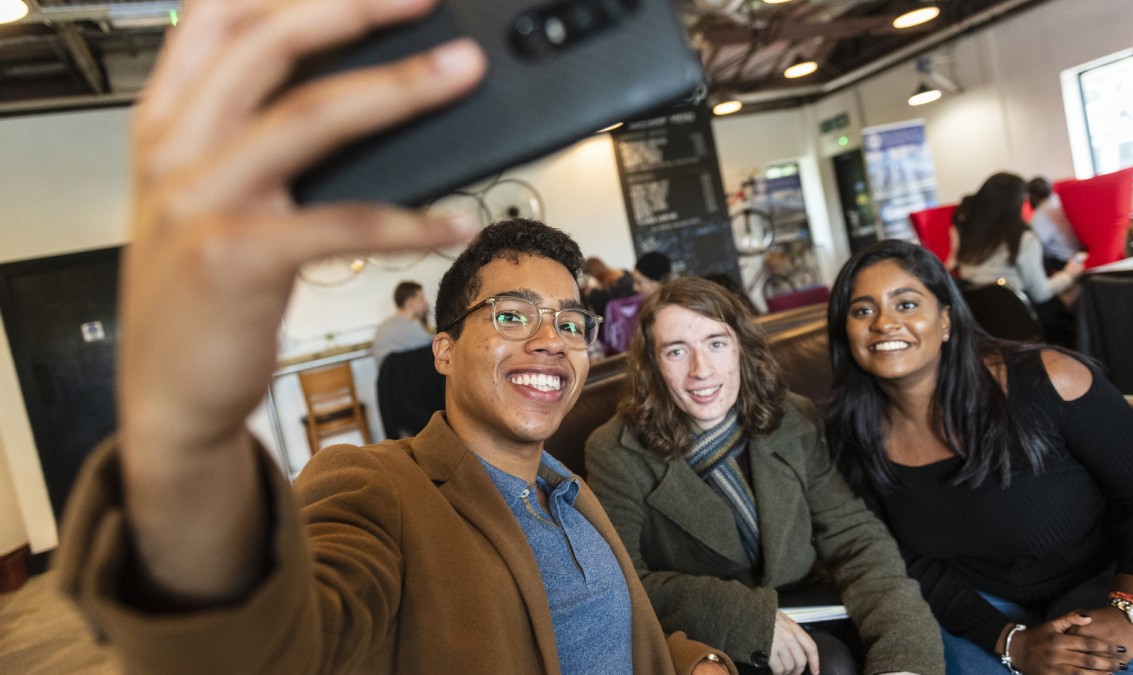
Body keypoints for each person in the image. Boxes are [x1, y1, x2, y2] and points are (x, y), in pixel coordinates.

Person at [52, 3, 731, 674]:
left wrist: (695, 658)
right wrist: (185, 427)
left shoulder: (567, 486)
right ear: (442, 349)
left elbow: (610, 635)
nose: (551, 339)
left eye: (569, 321)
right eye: (512, 315)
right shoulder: (379, 490)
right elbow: (252, 650)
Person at [823, 239, 1133, 675]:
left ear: (946, 320)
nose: (884, 323)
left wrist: (1130, 609)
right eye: (862, 311)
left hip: (1108, 580)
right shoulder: (848, 434)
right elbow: (904, 561)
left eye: (906, 304)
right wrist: (1012, 642)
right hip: (978, 607)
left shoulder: (1047, 380)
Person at [585, 276, 944, 675]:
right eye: (676, 351)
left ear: (741, 349)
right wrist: (747, 618)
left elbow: (854, 536)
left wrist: (904, 662)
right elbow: (621, 583)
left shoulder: (792, 416)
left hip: (815, 610)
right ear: (652, 365)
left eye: (716, 344)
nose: (701, 370)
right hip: (708, 639)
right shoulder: (616, 450)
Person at [951, 172, 1085, 346]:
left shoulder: (969, 236)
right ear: (1019, 202)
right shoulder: (1023, 238)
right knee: (1081, 294)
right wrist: (1069, 274)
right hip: (1028, 327)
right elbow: (1040, 293)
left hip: (987, 333)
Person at [1025, 177, 1081, 274]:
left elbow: (1034, 245)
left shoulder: (1040, 215)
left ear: (1031, 196)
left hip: (1064, 261)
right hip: (1079, 253)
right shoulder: (1059, 201)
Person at [370, 280, 432, 366]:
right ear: (409, 303)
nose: (425, 302)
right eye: (421, 298)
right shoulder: (407, 327)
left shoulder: (384, 326)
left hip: (390, 378)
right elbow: (435, 347)